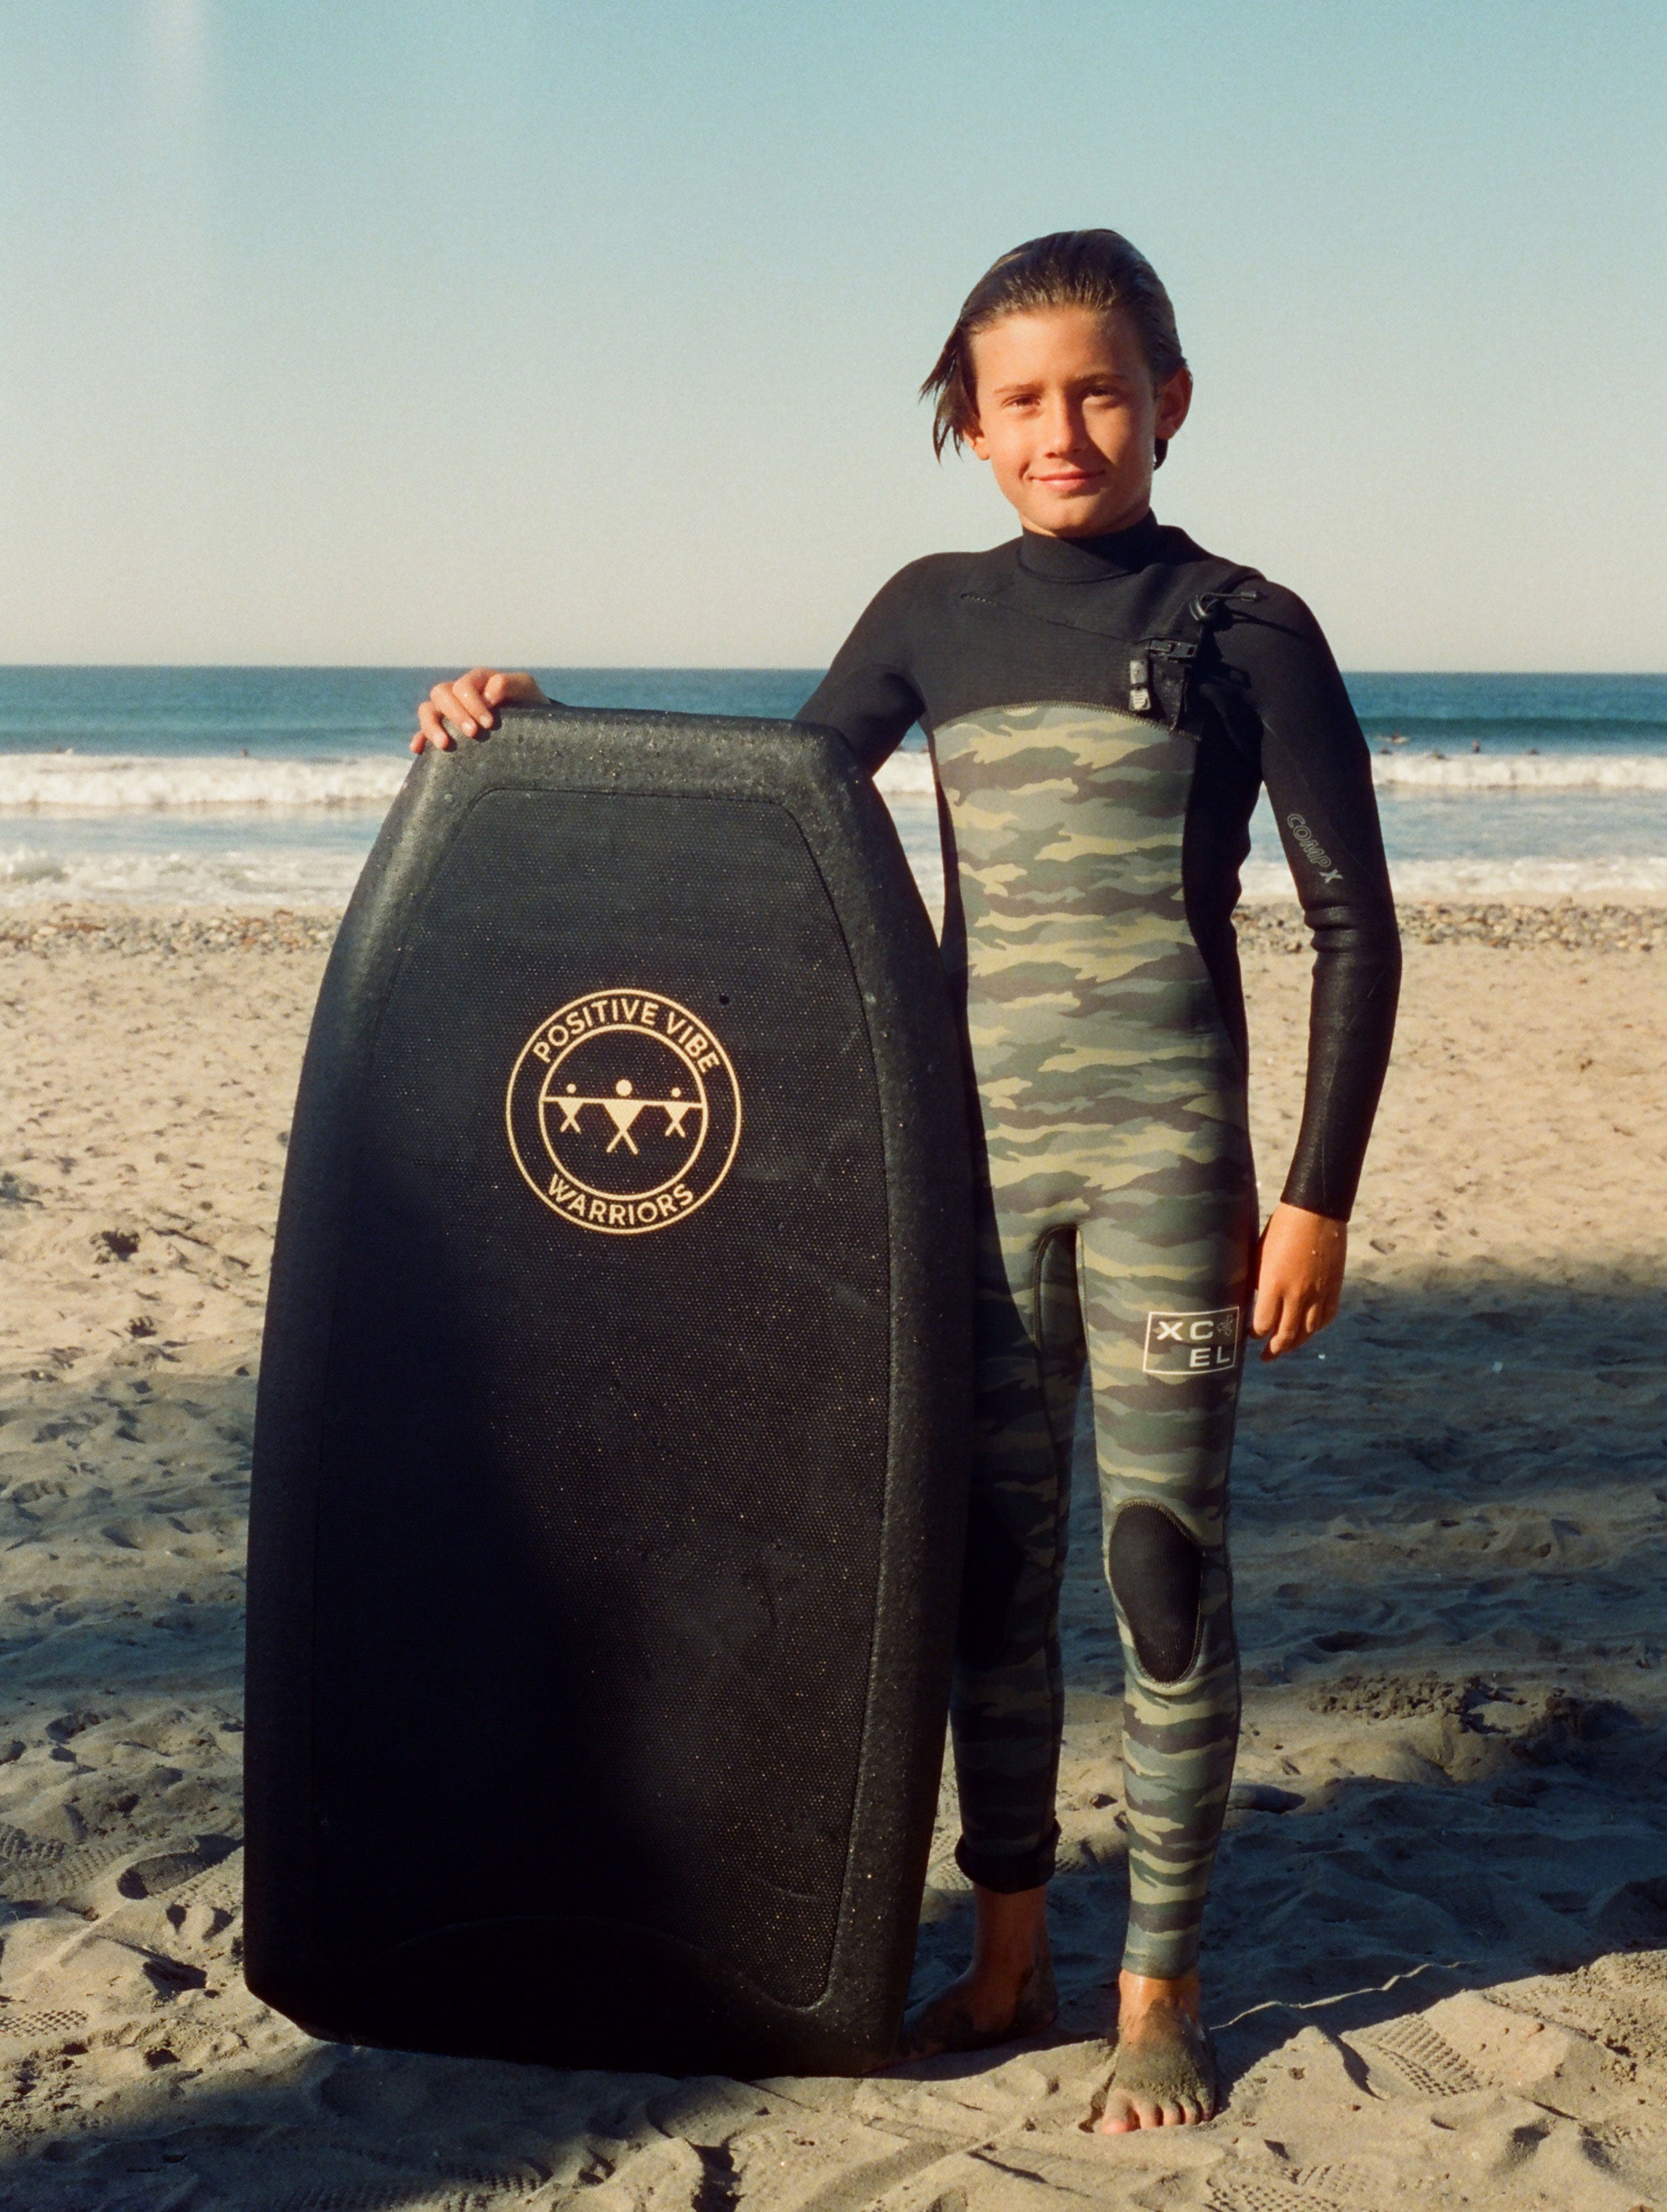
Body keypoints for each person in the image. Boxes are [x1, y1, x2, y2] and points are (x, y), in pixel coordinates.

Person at [412, 230, 1400, 2135]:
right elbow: (769, 825)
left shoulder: (1241, 620)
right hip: (959, 1171)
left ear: (1170, 400)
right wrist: (521, 731)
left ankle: (1155, 1991)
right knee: (988, 1579)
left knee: (1159, 1573)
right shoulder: (928, 610)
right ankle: (1011, 1955)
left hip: (1170, 1172)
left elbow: (1354, 924)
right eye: (1019, 397)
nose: (1062, 428)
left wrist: (1315, 1196)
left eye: (1099, 389)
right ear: (967, 418)